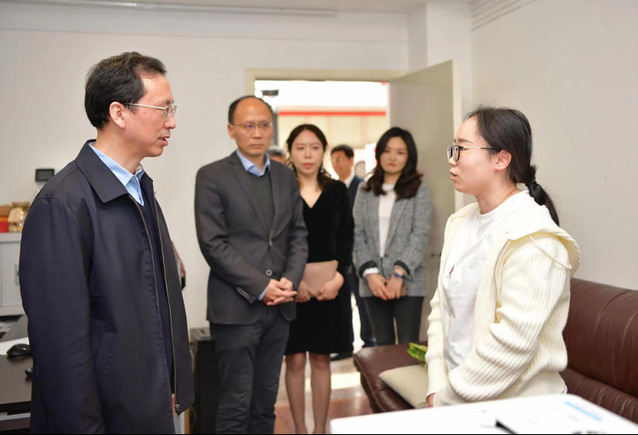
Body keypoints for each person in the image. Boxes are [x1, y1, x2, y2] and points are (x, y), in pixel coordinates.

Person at [18, 52, 194, 433]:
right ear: (119, 113)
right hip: (107, 418)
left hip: (149, 405)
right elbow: (62, 351)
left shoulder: (139, 188)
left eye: (172, 109)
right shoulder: (62, 204)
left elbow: (153, 304)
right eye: (162, 109)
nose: (172, 122)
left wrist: (171, 383)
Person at [426, 106, 581, 407]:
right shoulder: (459, 222)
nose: (452, 159)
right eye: (453, 148)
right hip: (458, 402)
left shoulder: (535, 237)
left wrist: (445, 400)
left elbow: (513, 343)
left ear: (501, 159)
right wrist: (436, 386)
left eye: (461, 149)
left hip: (519, 410)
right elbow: (440, 310)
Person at [194, 96, 308, 434]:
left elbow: (298, 234)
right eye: (248, 126)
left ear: (272, 128)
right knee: (235, 405)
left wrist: (290, 280)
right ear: (232, 130)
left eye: (263, 125)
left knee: (265, 404)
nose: (257, 133)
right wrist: (261, 286)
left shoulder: (285, 176)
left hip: (280, 309)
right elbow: (214, 244)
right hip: (236, 310)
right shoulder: (212, 176)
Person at [284, 125, 354, 434]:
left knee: (322, 360)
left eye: (314, 147)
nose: (307, 154)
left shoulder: (337, 190)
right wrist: (292, 283)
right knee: (295, 361)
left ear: (323, 150)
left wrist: (338, 280)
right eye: (300, 148)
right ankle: (300, 429)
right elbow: (276, 241)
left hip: (330, 288)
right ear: (290, 151)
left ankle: (320, 429)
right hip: (292, 288)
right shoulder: (282, 189)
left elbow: (346, 238)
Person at [353, 127, 432, 346]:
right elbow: (357, 234)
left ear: (409, 156)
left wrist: (399, 273)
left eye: (400, 152)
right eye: (387, 151)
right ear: (379, 154)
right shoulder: (365, 189)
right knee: (382, 347)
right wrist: (370, 274)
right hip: (373, 282)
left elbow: (420, 234)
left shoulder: (419, 189)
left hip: (408, 281)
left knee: (408, 347)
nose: (392, 157)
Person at [330, 144, 376, 356]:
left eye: (340, 159)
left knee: (362, 300)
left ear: (350, 160)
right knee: (341, 303)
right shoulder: (332, 188)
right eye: (333, 160)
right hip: (339, 255)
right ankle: (344, 345)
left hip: (359, 253)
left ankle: (369, 342)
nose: (336, 164)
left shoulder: (362, 186)